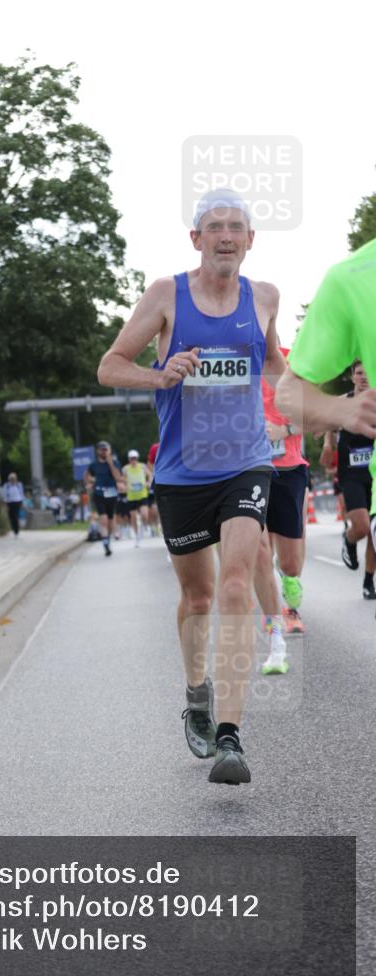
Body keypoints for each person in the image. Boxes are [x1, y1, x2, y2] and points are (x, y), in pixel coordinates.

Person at [97, 188, 285, 784]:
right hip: (182, 473)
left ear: (250, 239)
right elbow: (109, 366)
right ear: (196, 238)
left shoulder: (265, 297)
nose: (226, 236)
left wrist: (305, 406)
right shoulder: (165, 295)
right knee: (199, 598)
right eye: (215, 227)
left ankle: (230, 737)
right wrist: (160, 375)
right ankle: (197, 693)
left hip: (247, 463)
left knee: (236, 583)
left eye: (236, 227)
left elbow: (276, 368)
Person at [276, 238, 376, 557]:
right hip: (352, 469)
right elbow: (289, 390)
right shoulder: (351, 277)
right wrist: (339, 410)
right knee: (360, 526)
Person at [254, 345, 309, 654]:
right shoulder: (238, 363)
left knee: (289, 561)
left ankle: (290, 588)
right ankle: (275, 616)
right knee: (259, 550)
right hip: (250, 471)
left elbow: (314, 418)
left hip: (288, 470)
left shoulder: (293, 363)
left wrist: (282, 430)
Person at [320, 361, 375, 599]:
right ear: (352, 377)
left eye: (368, 373)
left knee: (374, 532)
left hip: (374, 474)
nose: (364, 377)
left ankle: (368, 581)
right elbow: (328, 425)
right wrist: (327, 445)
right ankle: (349, 539)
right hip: (351, 473)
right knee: (362, 527)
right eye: (359, 373)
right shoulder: (343, 403)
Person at [83, 441, 122, 556]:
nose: (104, 452)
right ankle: (106, 545)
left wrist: (110, 463)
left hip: (112, 494)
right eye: (102, 450)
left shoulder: (114, 463)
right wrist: (89, 482)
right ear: (98, 451)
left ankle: (107, 539)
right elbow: (86, 476)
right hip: (99, 494)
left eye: (106, 450)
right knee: (103, 519)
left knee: (111, 520)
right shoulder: (93, 465)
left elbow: (117, 477)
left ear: (109, 451)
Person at [123, 449, 152, 546]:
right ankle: (137, 537)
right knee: (134, 518)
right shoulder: (125, 469)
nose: (133, 460)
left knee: (145, 515)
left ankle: (144, 526)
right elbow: (122, 479)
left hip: (142, 495)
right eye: (131, 458)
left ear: (137, 458)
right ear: (129, 459)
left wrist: (148, 482)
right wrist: (125, 485)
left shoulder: (142, 466)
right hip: (131, 497)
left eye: (135, 458)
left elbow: (150, 475)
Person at [3, 472, 25, 536]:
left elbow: (21, 493)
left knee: (15, 515)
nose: (13, 479)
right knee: (11, 515)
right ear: (9, 479)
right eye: (11, 478)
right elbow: (5, 494)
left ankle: (16, 529)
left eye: (14, 478)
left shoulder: (19, 485)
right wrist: (5, 502)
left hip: (17, 501)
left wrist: (22, 501)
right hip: (10, 502)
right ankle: (14, 527)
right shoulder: (7, 485)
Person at [146, 440, 160, 536]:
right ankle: (153, 526)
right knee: (153, 509)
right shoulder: (155, 447)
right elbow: (150, 464)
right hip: (155, 482)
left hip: (167, 482)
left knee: (157, 508)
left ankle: (159, 526)